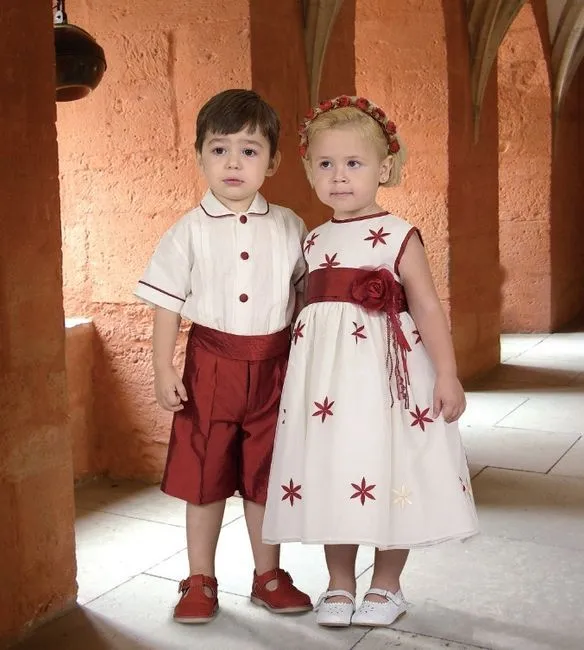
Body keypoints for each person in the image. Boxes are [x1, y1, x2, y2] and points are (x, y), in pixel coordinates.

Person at [262, 95, 478, 628]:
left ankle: (386, 585)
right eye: (326, 164)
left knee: (391, 467)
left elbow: (426, 305)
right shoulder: (313, 240)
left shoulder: (400, 236)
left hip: (388, 384)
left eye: (353, 164)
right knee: (333, 469)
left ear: (383, 168)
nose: (339, 177)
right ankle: (338, 582)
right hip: (326, 391)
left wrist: (447, 374)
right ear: (310, 169)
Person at [134, 89, 312, 624]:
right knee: (205, 477)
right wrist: (164, 367)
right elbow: (166, 304)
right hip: (209, 367)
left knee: (266, 475)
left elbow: (302, 297)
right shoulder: (186, 231)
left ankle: (268, 575)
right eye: (219, 149)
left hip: (276, 368)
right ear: (198, 156)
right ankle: (199, 580)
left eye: (250, 150)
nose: (233, 162)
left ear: (274, 161)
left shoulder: (289, 226)